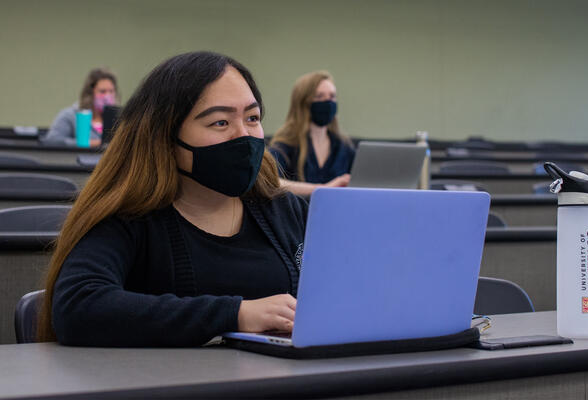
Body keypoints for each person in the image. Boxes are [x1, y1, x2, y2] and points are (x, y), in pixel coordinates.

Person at [37, 52, 306, 347]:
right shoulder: (130, 218)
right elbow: (77, 307)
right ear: (165, 136)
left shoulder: (284, 210)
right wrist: (236, 314)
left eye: (252, 118)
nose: (243, 135)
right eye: (220, 122)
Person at [269, 71, 355, 197]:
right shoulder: (286, 144)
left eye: (332, 96)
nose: (328, 102)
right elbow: (271, 181)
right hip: (299, 215)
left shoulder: (344, 147)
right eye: (319, 96)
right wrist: (322, 189)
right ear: (303, 102)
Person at [44, 68, 119, 146]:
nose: (107, 96)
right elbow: (51, 140)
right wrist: (88, 143)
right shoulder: (70, 115)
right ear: (90, 93)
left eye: (111, 91)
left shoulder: (118, 118)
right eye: (102, 91)